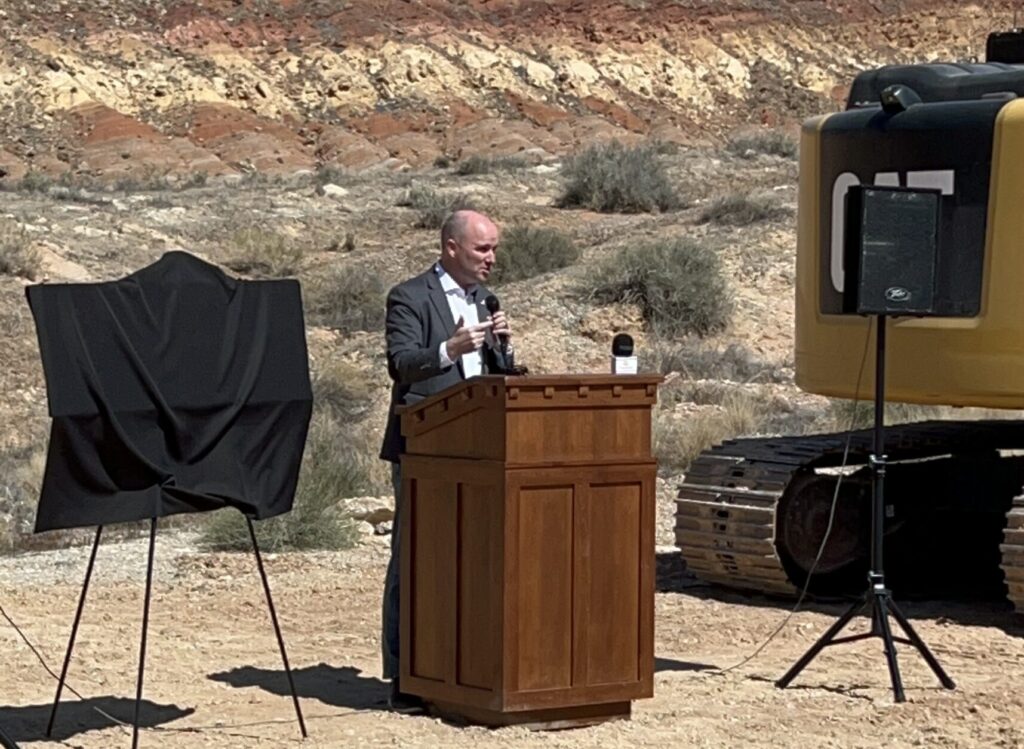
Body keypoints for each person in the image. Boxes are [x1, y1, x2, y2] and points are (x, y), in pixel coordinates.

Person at [378, 209, 513, 710]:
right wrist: (448, 348)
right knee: (414, 559)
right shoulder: (409, 297)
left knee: (470, 559)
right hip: (425, 450)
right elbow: (401, 364)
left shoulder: (485, 300)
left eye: (495, 249)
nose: (491, 259)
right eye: (483, 249)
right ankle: (404, 675)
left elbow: (497, 375)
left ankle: (457, 667)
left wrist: (502, 344)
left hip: (479, 451)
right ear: (451, 247)